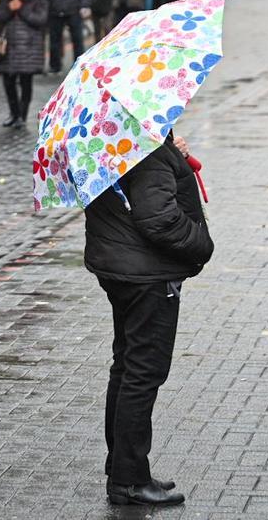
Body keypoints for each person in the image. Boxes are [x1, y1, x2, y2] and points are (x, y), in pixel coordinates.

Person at [84, 131, 213, 506]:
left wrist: (174, 154)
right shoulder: (144, 143)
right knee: (143, 373)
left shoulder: (105, 137)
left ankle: (124, 467)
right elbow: (158, 217)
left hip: (120, 266)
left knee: (127, 368)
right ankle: (129, 481)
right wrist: (202, 244)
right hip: (148, 275)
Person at [0, 0, 48, 128]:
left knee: (26, 82)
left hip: (29, 47)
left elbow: (41, 20)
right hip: (9, 47)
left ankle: (22, 115)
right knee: (8, 82)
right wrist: (10, 8)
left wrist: (22, 9)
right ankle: (13, 113)